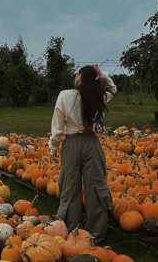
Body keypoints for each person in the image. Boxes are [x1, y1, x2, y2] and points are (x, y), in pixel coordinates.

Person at [48, 64, 117, 243]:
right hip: (92, 144)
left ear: (79, 77)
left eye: (77, 73)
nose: (75, 76)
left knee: (70, 186)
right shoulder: (98, 96)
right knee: (95, 185)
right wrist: (102, 75)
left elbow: (57, 124)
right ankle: (96, 232)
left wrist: (53, 145)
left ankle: (72, 228)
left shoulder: (65, 95)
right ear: (95, 79)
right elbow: (113, 88)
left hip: (71, 144)